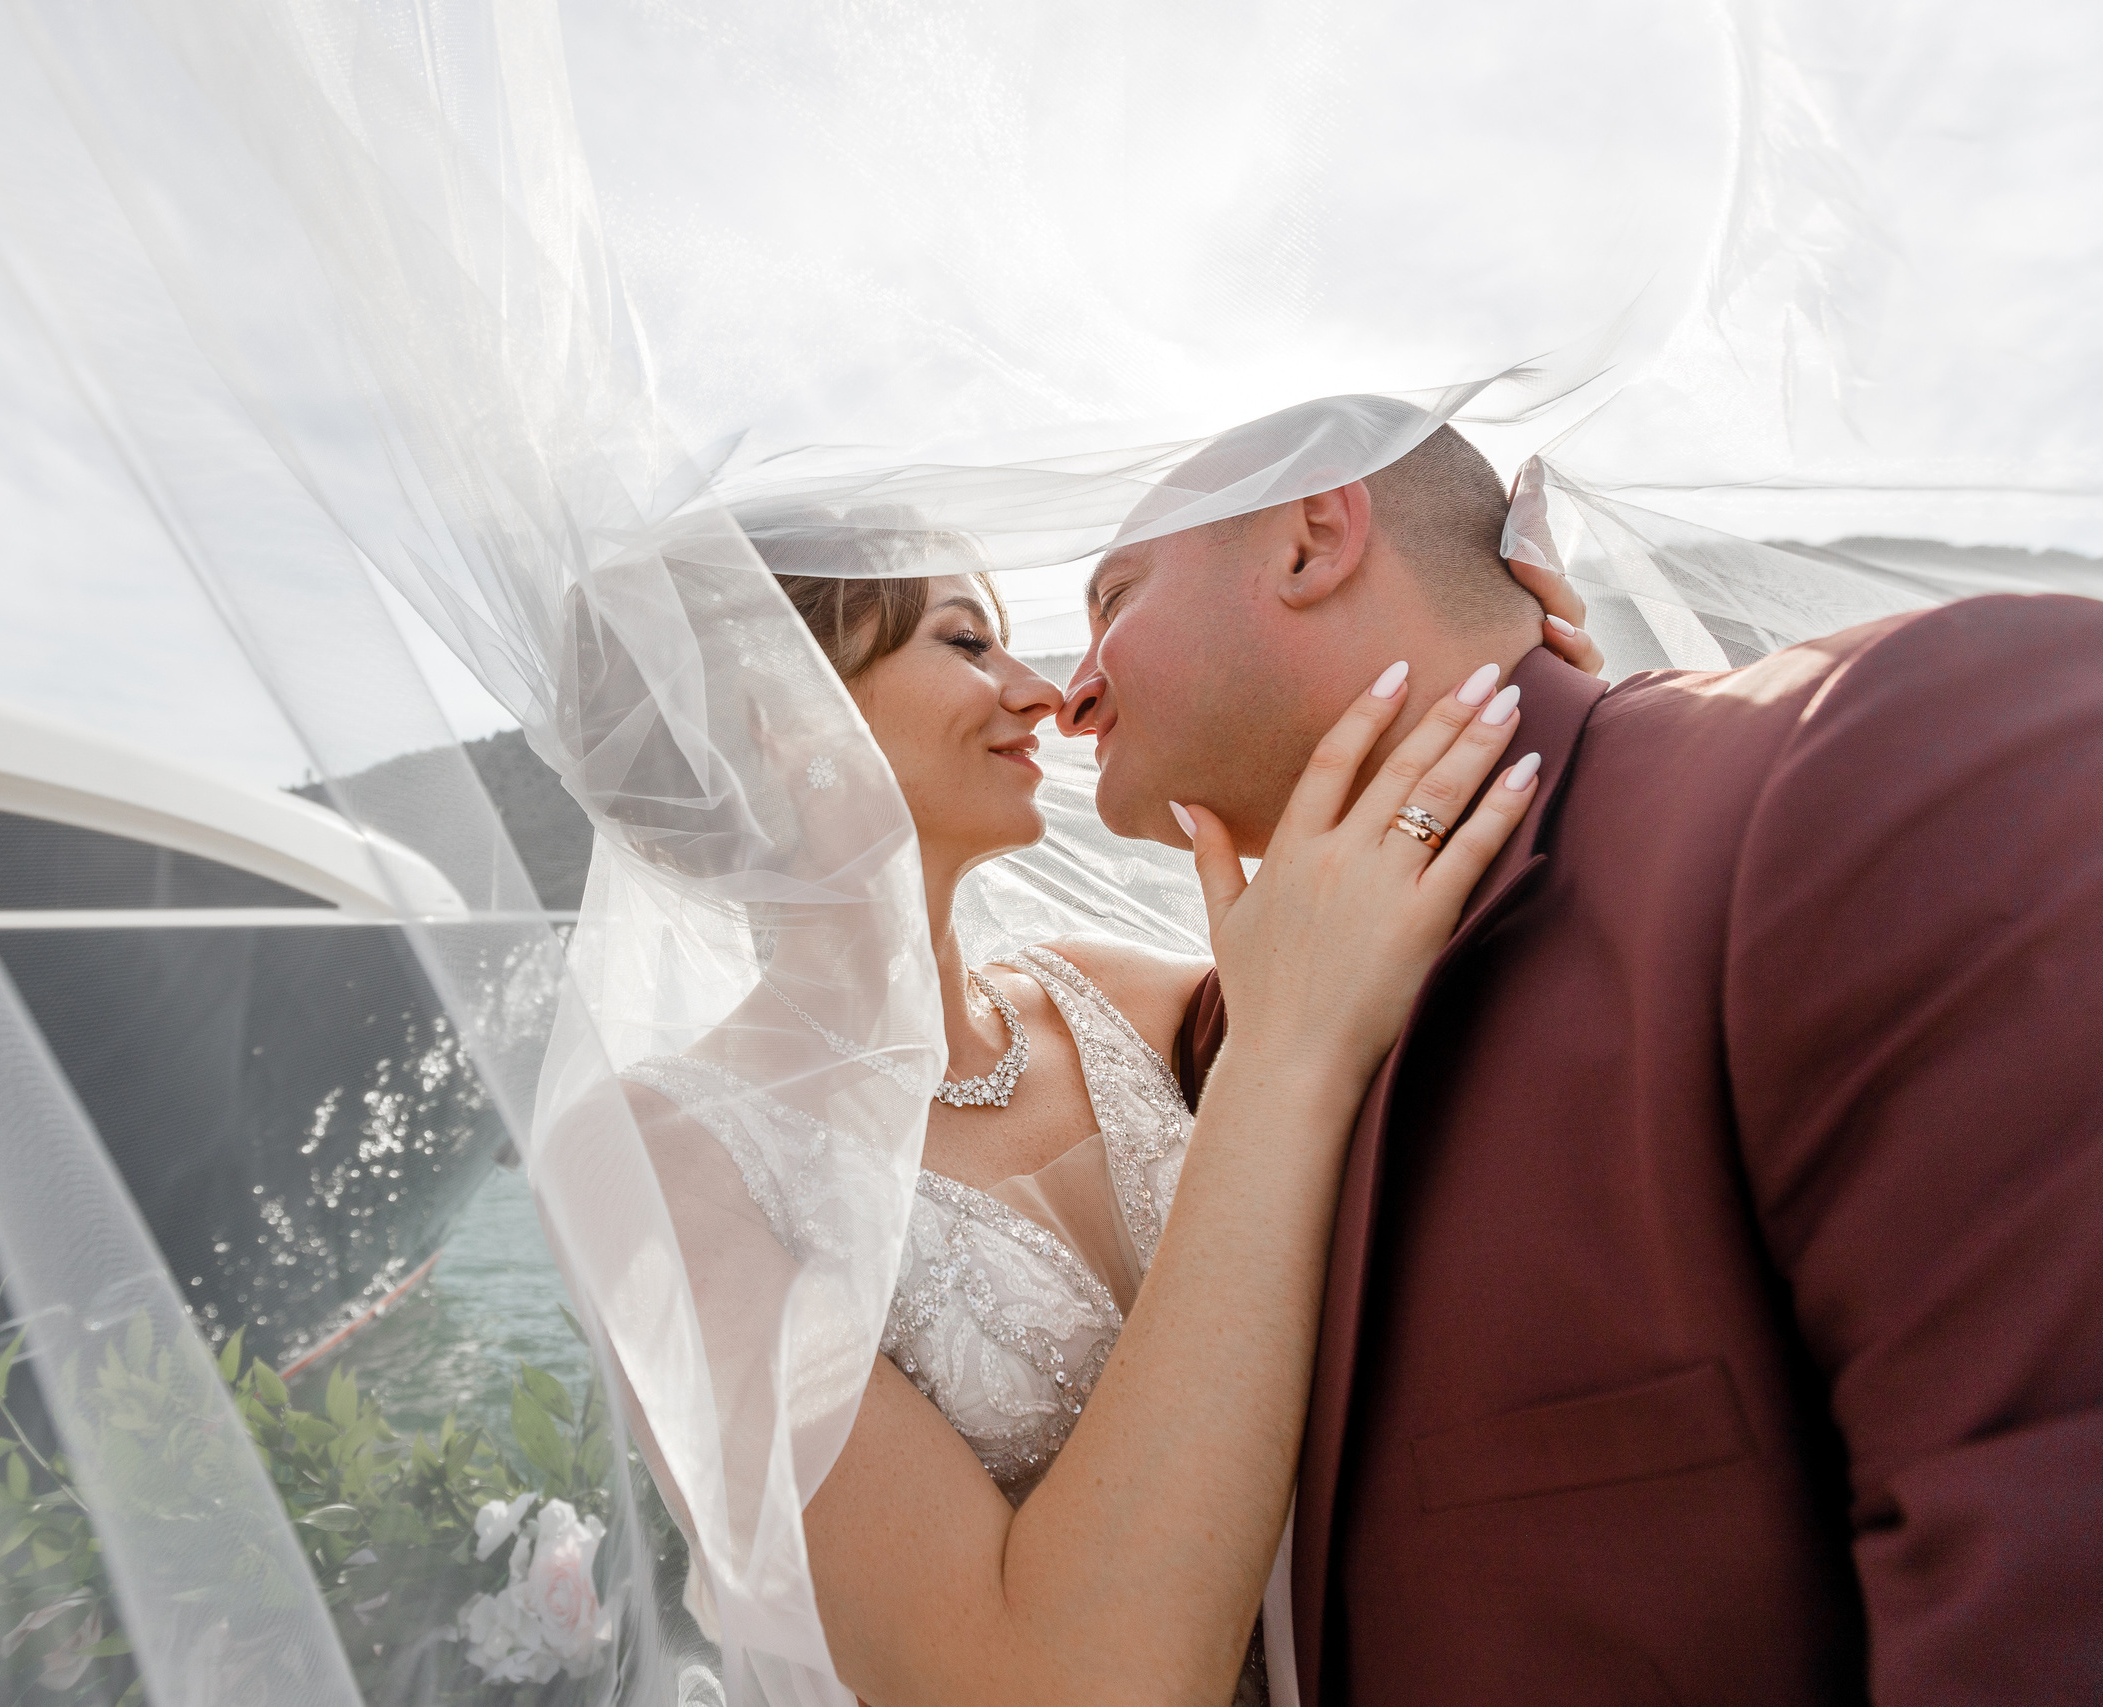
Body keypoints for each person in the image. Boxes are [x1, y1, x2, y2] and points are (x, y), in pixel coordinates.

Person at [1062, 421, 2103, 1704]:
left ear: (1310, 537)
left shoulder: (1869, 757)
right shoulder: (1218, 1048)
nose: (1070, 691)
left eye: (1113, 599)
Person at [613, 520, 1595, 1707]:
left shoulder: (1135, 1001)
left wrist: (1504, 697)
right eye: (968, 642)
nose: (1040, 695)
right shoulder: (665, 1169)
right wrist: (1279, 1062)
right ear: (781, 710)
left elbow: (1434, 989)